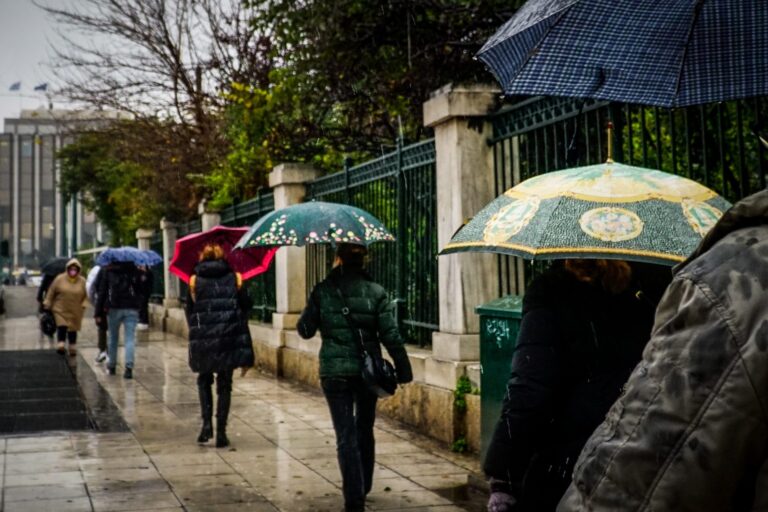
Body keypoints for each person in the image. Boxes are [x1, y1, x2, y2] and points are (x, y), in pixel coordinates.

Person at [558, 189, 768, 511]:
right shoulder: (655, 278)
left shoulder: (736, 274)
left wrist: (502, 471)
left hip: (616, 431)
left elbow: (632, 489)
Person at [484, 259, 660, 512]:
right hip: (636, 452)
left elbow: (530, 386)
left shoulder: (553, 289)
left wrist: (504, 474)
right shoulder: (653, 284)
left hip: (566, 463)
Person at [297, 243, 413, 512]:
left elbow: (305, 330)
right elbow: (391, 336)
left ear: (338, 259)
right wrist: (404, 370)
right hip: (366, 373)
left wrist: (313, 305)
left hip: (334, 373)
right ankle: (366, 483)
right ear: (364, 260)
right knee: (364, 427)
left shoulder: (323, 290)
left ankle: (354, 499)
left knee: (344, 435)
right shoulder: (377, 292)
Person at [185, 243, 254, 448]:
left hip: (203, 336)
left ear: (202, 257)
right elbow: (247, 305)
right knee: (225, 384)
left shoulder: (194, 281)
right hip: (228, 336)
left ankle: (206, 425)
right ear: (223, 256)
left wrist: (199, 329)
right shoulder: (235, 278)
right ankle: (222, 431)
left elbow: (190, 311)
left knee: (204, 379)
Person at [95, 260, 143, 379]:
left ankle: (111, 366)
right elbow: (141, 289)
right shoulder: (134, 270)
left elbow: (102, 292)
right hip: (131, 308)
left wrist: (98, 312)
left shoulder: (108, 271)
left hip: (114, 308)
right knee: (130, 338)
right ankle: (128, 368)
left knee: (113, 338)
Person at [42, 258, 87, 356]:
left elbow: (86, 295)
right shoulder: (59, 279)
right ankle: (61, 343)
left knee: (72, 328)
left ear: (78, 270)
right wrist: (47, 302)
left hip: (75, 309)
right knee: (62, 326)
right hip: (60, 308)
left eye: (75, 269)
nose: (73, 271)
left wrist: (84, 304)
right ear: (67, 269)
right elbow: (51, 292)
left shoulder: (82, 281)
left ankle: (72, 346)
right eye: (71, 269)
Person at [86, 265, 108, 363]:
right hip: (115, 306)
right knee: (112, 330)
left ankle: (103, 350)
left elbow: (91, 289)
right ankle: (108, 352)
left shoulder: (99, 270)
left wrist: (95, 304)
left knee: (102, 328)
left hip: (102, 304)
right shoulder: (121, 270)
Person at [136, 265, 153, 330]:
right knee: (141, 306)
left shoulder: (148, 273)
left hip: (145, 292)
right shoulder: (139, 273)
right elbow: (137, 282)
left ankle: (144, 321)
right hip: (139, 292)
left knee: (143, 306)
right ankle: (141, 320)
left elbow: (150, 283)